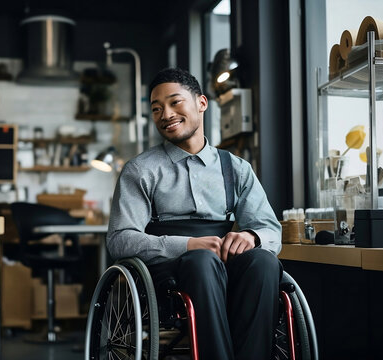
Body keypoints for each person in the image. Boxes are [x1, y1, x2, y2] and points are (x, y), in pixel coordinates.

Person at [106, 67, 282, 360]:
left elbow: (270, 229)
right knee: (201, 261)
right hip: (170, 271)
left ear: (201, 103)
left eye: (175, 102)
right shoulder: (141, 170)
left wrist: (252, 236)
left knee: (263, 261)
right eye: (156, 108)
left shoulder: (236, 168)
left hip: (225, 261)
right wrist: (188, 245)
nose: (166, 114)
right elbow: (120, 240)